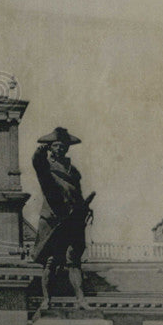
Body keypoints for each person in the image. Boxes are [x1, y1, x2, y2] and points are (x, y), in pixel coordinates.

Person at [31, 127, 95, 312]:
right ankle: (47, 301)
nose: (60, 149)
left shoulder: (73, 171)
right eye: (57, 145)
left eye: (64, 146)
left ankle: (81, 300)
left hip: (74, 218)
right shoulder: (46, 165)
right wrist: (38, 152)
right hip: (54, 219)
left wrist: (84, 206)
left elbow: (78, 193)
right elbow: (37, 163)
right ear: (50, 147)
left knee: (73, 259)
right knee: (51, 261)